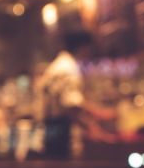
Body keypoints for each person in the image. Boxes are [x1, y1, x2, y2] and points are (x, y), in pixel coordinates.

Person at [35, 30, 116, 159]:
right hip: (59, 131)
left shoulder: (59, 64)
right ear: (84, 47)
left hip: (51, 129)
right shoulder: (68, 68)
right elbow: (71, 105)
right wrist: (95, 127)